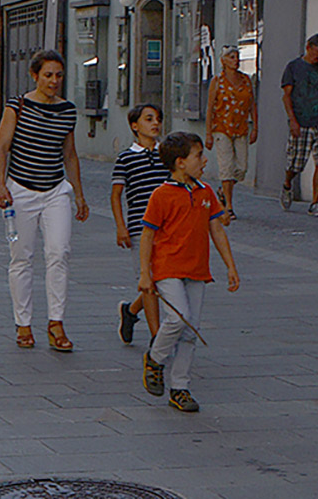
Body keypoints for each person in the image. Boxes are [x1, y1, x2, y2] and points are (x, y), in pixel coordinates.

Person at [0, 48, 90, 352]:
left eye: (58, 75)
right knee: (22, 257)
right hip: (20, 189)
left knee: (59, 252)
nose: (54, 81)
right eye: (47, 75)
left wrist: (79, 194)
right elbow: (2, 146)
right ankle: (23, 323)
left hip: (55, 190)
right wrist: (0, 185)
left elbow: (69, 154)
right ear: (35, 76)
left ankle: (56, 322)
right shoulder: (17, 106)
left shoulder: (68, 111)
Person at [138, 131, 239, 413]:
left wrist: (230, 265)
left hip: (197, 269)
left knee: (191, 329)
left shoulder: (205, 192)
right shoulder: (161, 195)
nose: (204, 160)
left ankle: (180, 387)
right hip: (167, 267)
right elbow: (147, 235)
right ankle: (155, 358)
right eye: (198, 156)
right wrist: (145, 274)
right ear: (180, 162)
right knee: (178, 316)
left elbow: (216, 229)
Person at [111, 104, 168, 346]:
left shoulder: (167, 155)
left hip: (168, 228)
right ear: (135, 126)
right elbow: (116, 195)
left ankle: (131, 311)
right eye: (148, 119)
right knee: (149, 281)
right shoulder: (126, 158)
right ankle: (156, 336)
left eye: (157, 119)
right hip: (139, 228)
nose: (155, 123)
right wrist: (121, 227)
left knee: (161, 281)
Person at [279, 34, 318, 216]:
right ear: (308, 47)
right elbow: (286, 96)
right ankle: (288, 184)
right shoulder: (294, 67)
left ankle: (315, 202)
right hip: (301, 121)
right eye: (317, 51)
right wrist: (293, 121)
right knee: (295, 164)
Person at [206, 48, 257, 218]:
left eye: (237, 57)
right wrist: (208, 134)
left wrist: (255, 127)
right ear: (224, 61)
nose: (236, 60)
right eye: (232, 57)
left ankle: (223, 189)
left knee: (241, 168)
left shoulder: (245, 80)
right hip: (222, 127)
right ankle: (228, 205)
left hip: (241, 127)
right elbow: (210, 107)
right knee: (226, 167)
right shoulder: (217, 81)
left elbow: (252, 104)